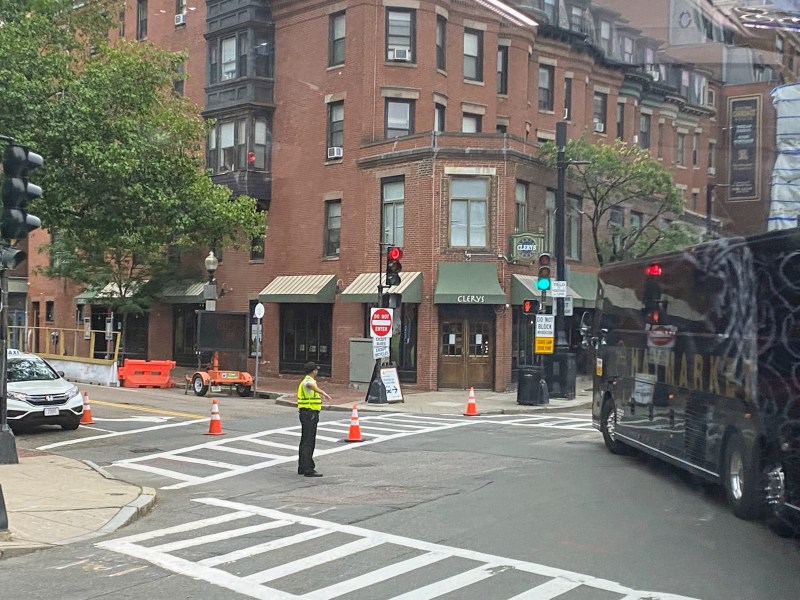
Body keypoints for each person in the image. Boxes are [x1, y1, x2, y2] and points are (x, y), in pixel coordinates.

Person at [297, 361, 331, 477]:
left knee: (305, 440)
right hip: (309, 413)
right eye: (316, 370)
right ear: (313, 371)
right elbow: (309, 385)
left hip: (307, 413)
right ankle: (308, 469)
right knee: (309, 441)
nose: (317, 371)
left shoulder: (307, 380)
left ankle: (302, 466)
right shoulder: (308, 381)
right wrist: (323, 392)